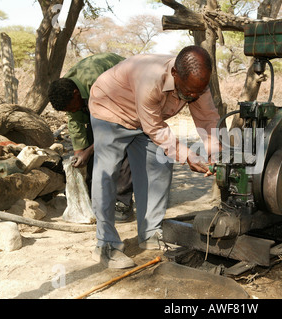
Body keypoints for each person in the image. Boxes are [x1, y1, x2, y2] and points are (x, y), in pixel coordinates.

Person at [88, 45, 221, 268]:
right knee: (107, 174)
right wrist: (187, 155)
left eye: (198, 92)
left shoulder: (197, 84)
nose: (193, 96)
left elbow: (208, 118)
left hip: (146, 120)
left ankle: (150, 232)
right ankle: (105, 244)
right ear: (175, 74)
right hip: (111, 110)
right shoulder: (150, 79)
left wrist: (215, 152)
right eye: (188, 91)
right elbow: (156, 128)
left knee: (159, 167)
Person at [48, 53, 134, 223]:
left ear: (76, 94)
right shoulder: (66, 88)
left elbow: (114, 128)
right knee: (88, 153)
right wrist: (80, 153)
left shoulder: (99, 81)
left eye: (72, 108)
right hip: (95, 102)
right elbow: (75, 123)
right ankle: (92, 196)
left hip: (124, 102)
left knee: (123, 151)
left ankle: (122, 202)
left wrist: (89, 151)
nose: (72, 112)